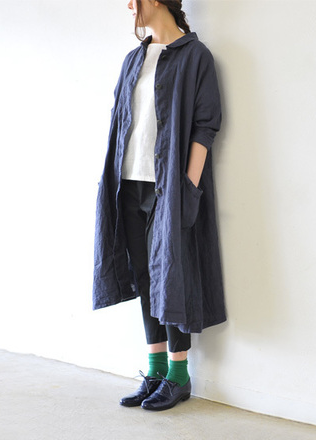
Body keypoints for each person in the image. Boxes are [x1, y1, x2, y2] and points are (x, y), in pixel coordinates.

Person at [92, 0, 226, 411]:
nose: (129, 5)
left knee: (171, 274)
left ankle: (179, 376)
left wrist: (188, 184)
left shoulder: (196, 56)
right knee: (144, 276)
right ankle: (155, 371)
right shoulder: (134, 59)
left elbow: (206, 125)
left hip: (168, 187)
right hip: (128, 182)